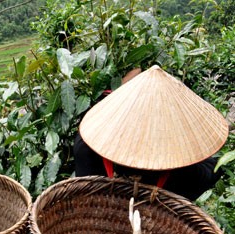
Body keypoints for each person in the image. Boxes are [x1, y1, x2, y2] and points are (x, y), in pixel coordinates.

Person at [73, 65, 229, 201]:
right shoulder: (185, 175)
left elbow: (85, 192)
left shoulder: (86, 149)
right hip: (157, 229)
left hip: (98, 224)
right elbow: (215, 168)